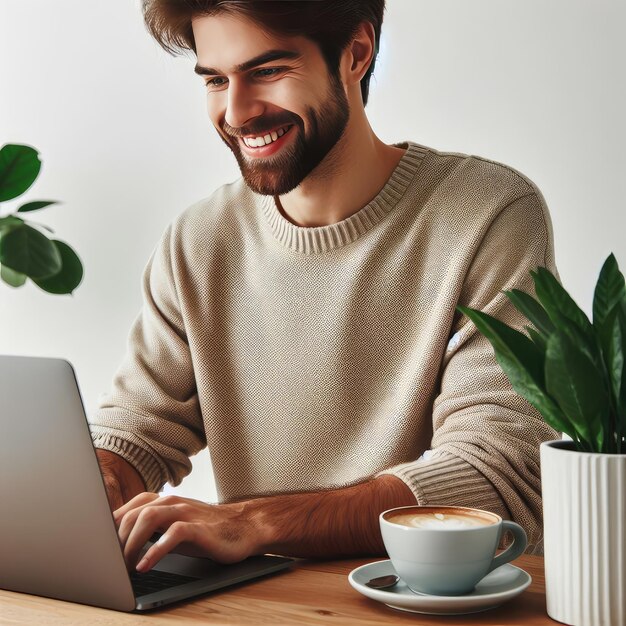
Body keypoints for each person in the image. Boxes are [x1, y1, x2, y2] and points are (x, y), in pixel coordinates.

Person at [90, 0, 559, 573]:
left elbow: (495, 475)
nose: (237, 112)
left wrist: (256, 522)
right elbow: (140, 424)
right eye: (215, 79)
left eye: (267, 71)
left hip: (432, 603)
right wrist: (95, 482)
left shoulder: (487, 214)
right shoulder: (199, 239)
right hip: (257, 604)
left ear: (355, 55)